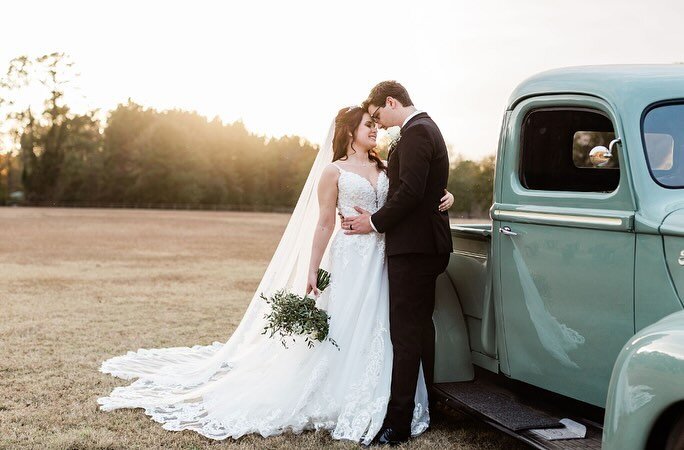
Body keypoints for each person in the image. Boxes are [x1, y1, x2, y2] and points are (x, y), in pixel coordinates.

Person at [97, 105, 454, 445]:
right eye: (368, 125)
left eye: (376, 123)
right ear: (350, 133)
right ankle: (337, 392)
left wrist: (446, 195)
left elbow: (412, 192)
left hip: (382, 258)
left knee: (383, 326)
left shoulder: (388, 167)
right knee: (348, 324)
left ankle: (387, 399)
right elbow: (325, 223)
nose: (376, 129)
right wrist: (312, 268)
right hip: (350, 258)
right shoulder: (334, 172)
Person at [343, 81, 453, 446]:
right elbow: (422, 186)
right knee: (419, 330)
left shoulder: (419, 132)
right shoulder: (420, 131)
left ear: (391, 102)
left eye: (378, 115)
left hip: (416, 248)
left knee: (405, 334)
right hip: (423, 246)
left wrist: (372, 222)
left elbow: (410, 191)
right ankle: (427, 403)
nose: (379, 124)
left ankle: (399, 423)